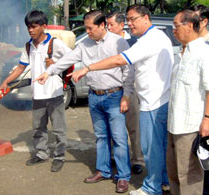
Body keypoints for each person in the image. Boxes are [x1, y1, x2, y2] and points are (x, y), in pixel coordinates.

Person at [69, 5, 174, 195]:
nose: (129, 23)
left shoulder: (150, 40)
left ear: (146, 18)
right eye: (128, 19)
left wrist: (88, 68)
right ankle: (163, 182)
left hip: (153, 101)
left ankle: (152, 187)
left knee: (150, 148)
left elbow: (120, 61)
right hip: (155, 99)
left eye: (133, 19)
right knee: (158, 145)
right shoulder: (153, 37)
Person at [35, 10, 134, 193]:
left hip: (114, 96)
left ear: (102, 25)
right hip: (94, 97)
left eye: (90, 28)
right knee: (101, 137)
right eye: (86, 28)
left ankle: (123, 176)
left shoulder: (118, 42)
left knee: (119, 138)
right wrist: (48, 73)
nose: (87, 32)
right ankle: (103, 170)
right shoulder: (85, 44)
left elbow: (128, 71)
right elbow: (66, 60)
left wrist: (126, 96)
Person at [0, 10, 71, 172]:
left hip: (54, 93)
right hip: (37, 94)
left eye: (34, 26)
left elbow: (72, 58)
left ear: (43, 26)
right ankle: (41, 153)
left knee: (58, 128)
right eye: (28, 27)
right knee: (38, 127)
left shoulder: (54, 43)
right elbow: (21, 67)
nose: (31, 30)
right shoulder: (28, 45)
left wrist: (55, 63)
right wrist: (6, 81)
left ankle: (59, 156)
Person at [167, 9, 209, 194]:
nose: (173, 29)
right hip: (174, 124)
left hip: (190, 126)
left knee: (190, 176)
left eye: (176, 25)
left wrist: (207, 119)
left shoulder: (205, 53)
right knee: (173, 171)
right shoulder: (182, 53)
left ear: (189, 26)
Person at [107, 10, 144, 175]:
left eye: (111, 25)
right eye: (106, 25)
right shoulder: (106, 42)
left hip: (131, 89)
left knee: (133, 126)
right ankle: (117, 157)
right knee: (114, 128)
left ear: (122, 25)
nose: (108, 28)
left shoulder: (134, 42)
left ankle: (137, 160)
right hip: (112, 90)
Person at [190, 4, 209, 195]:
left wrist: (208, 115)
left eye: (194, 20)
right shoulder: (191, 42)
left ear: (204, 21)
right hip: (192, 105)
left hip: (203, 107)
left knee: (203, 151)